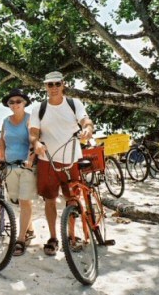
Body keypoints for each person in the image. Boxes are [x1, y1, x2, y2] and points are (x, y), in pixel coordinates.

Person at [29, 71, 94, 256]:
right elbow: (33, 132)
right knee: (49, 200)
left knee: (72, 200)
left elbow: (85, 120)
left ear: (63, 84)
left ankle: (72, 236)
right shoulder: (39, 108)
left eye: (57, 84)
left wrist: (87, 128)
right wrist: (36, 143)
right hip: (46, 161)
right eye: (50, 85)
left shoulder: (74, 104)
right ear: (45, 87)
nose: (54, 88)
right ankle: (53, 237)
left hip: (71, 160)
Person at [0, 88, 38, 256]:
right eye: (11, 102)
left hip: (26, 167)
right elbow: (1, 140)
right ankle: (30, 229)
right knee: (16, 200)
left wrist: (30, 159)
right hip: (10, 166)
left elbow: (35, 140)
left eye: (18, 101)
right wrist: (1, 158)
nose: (15, 104)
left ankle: (20, 239)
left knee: (25, 201)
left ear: (24, 103)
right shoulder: (6, 121)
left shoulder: (30, 120)